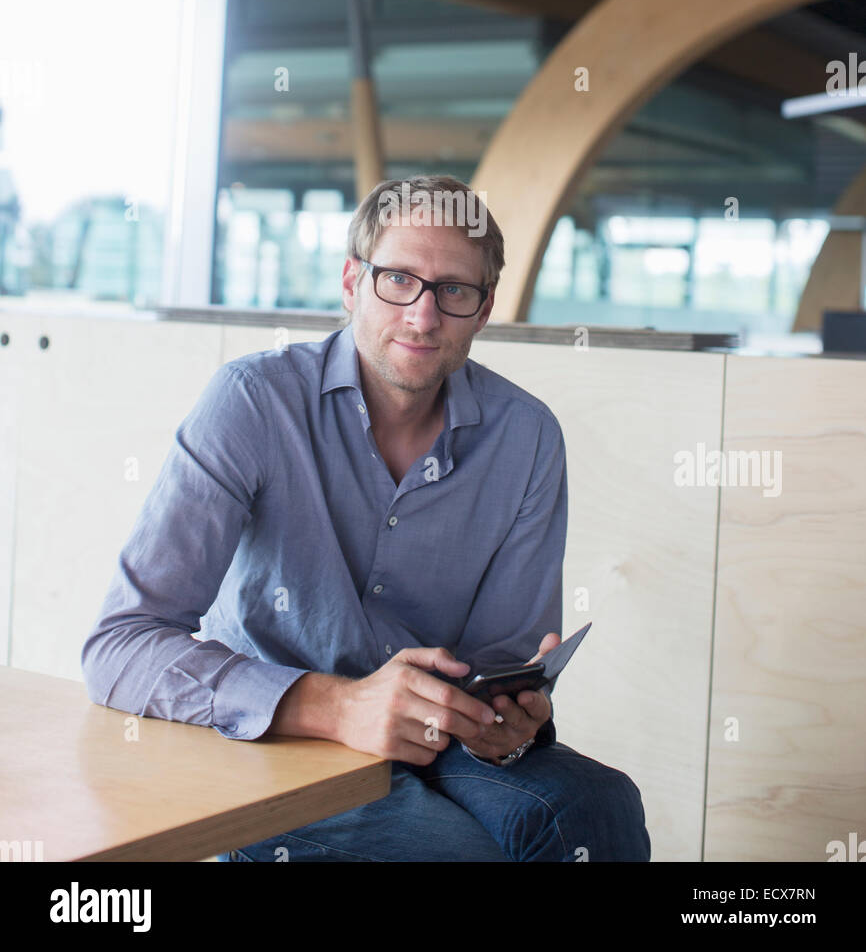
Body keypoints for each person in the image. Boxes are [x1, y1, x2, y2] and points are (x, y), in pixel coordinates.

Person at [81, 175, 650, 862]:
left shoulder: (526, 437)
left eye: (453, 291)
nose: (422, 315)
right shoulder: (252, 403)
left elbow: (501, 665)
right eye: (398, 280)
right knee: (459, 854)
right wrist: (339, 706)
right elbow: (120, 646)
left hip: (436, 741)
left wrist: (508, 724)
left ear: (484, 308)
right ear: (352, 282)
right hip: (270, 738)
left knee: (599, 810)